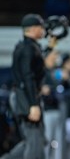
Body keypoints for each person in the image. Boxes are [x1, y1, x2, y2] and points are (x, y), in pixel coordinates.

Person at [0, 13, 57, 159]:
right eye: (40, 26)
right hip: (25, 96)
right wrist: (32, 104)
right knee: (34, 142)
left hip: (25, 94)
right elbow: (27, 77)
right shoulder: (27, 48)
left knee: (36, 140)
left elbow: (37, 64)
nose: (43, 29)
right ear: (32, 29)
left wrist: (50, 47)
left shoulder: (28, 46)